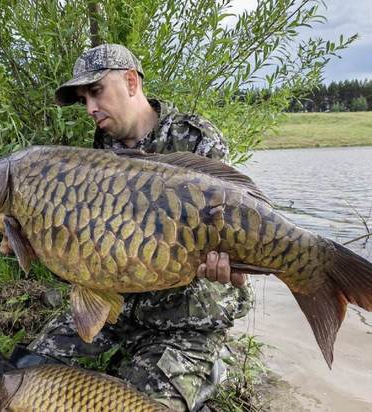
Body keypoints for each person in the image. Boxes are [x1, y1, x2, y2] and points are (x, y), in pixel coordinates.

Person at [25, 44, 253, 411]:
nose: (90, 109)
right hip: (121, 314)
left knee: (136, 403)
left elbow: (240, 232)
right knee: (27, 372)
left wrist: (234, 270)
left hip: (187, 320)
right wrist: (43, 240)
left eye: (95, 92)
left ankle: (209, 362)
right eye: (83, 99)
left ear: (131, 81)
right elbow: (91, 247)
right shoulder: (99, 156)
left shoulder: (194, 140)